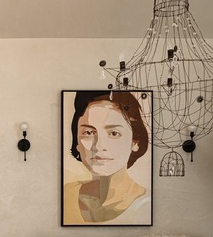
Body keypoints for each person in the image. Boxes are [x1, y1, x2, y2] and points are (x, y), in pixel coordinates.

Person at [63, 91, 150, 224]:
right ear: (77, 142)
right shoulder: (65, 195)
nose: (98, 145)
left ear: (135, 142)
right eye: (88, 132)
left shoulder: (146, 206)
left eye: (114, 133)